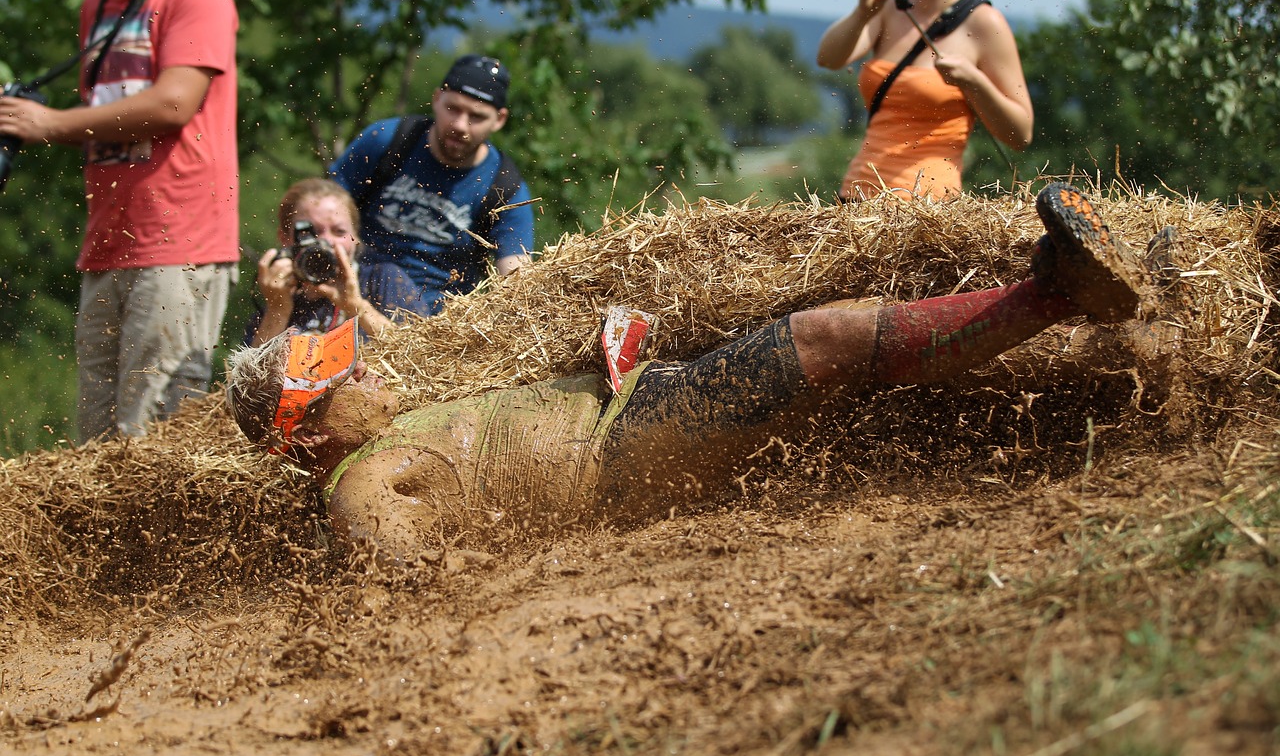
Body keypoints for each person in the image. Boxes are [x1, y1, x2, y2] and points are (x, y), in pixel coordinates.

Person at [225, 184, 1143, 564]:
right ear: (306, 431)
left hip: (628, 411)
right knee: (815, 341)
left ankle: (1109, 320)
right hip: (626, 452)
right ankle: (1055, 296)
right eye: (341, 382)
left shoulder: (382, 439)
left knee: (817, 343)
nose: (367, 377)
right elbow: (409, 580)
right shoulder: (359, 490)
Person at [0, 0, 239, 442]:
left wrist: (49, 124)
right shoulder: (97, 1)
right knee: (95, 446)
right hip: (108, 244)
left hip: (179, 242)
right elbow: (103, 117)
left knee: (151, 440)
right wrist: (25, 118)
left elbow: (174, 102)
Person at [328, 54, 535, 318]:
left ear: (499, 119)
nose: (460, 125)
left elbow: (519, 282)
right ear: (437, 99)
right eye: (453, 109)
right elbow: (324, 209)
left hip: (432, 323)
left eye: (476, 116)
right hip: (352, 293)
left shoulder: (505, 188)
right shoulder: (387, 141)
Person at [816, 0, 1033, 201]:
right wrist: (862, 13)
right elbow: (828, 59)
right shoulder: (888, 7)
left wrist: (975, 81)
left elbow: (1021, 135)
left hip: (928, 211)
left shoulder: (985, 23)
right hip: (857, 201)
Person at [245, 178, 394, 347]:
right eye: (310, 233)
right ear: (285, 238)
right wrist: (277, 311)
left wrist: (356, 306)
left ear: (356, 238)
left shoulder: (382, 280)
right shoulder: (278, 298)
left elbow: (414, 355)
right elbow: (249, 373)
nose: (326, 241)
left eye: (339, 231)